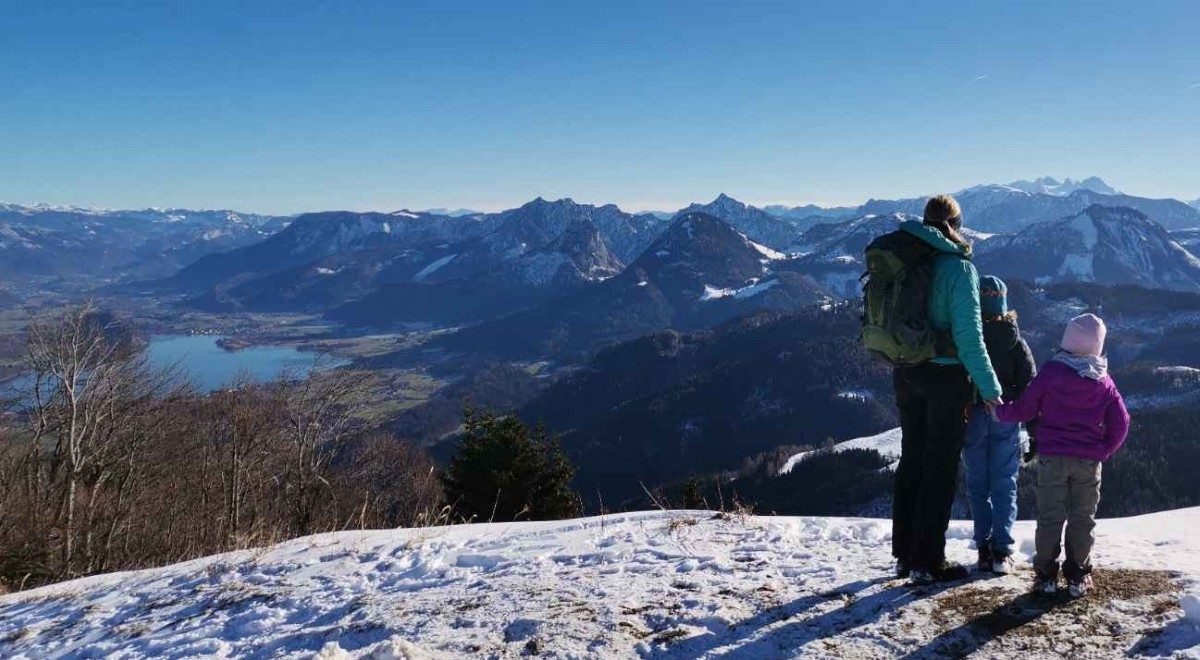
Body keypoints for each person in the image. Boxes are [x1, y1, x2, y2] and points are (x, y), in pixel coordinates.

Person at [891, 194, 1004, 584]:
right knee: (939, 468)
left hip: (906, 371)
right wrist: (990, 388)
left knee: (912, 461)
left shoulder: (908, 258)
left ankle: (905, 555)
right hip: (944, 379)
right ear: (957, 224)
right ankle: (927, 562)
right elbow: (969, 339)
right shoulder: (959, 269)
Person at [994, 313, 1130, 597]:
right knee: (1083, 518)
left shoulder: (1051, 373)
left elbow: (1024, 409)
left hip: (1052, 458)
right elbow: (1122, 422)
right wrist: (1103, 449)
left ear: (1068, 339)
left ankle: (1045, 575)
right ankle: (1078, 574)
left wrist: (998, 410)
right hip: (1088, 461)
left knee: (1050, 517)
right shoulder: (1103, 381)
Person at [963, 276, 1036, 575]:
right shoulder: (1016, 343)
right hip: (1007, 415)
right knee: (1005, 484)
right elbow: (1031, 389)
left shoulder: (967, 337)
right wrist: (1034, 431)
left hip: (972, 416)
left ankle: (983, 547)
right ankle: (1002, 551)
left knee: (977, 485)